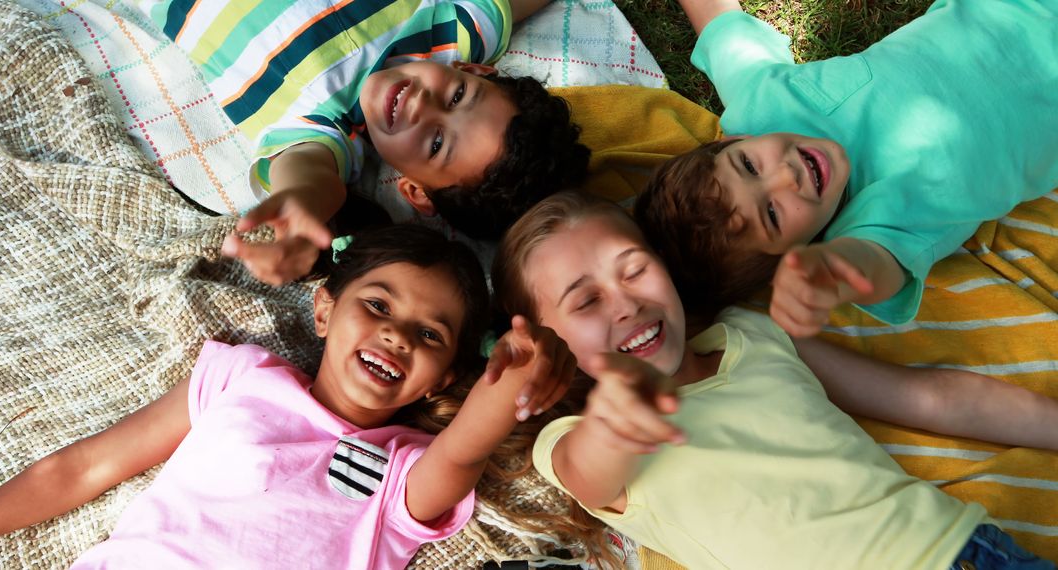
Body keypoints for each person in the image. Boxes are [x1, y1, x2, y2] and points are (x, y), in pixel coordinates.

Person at [492, 191, 1058, 568]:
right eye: (587, 300)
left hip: (965, 551)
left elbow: (922, 396)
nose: (627, 303)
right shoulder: (569, 440)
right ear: (552, 347)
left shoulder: (751, 335)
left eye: (634, 268)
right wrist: (617, 414)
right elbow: (588, 472)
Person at [0, 224, 575, 569]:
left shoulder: (405, 469)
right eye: (377, 305)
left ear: (444, 379)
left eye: (429, 335)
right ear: (323, 309)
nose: (396, 335)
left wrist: (512, 378)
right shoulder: (241, 376)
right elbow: (84, 466)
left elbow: (466, 450)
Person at [634, 0, 1058, 334]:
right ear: (794, 255)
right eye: (773, 214)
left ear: (734, 140)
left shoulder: (763, 106)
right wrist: (828, 273)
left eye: (748, 164)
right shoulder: (871, 226)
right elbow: (870, 269)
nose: (785, 175)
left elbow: (716, 21)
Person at [139, 0, 590, 285]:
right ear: (474, 71)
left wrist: (303, 208)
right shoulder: (455, 31)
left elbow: (313, 178)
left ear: (414, 190)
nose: (423, 104)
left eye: (435, 144)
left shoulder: (326, 127)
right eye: (457, 96)